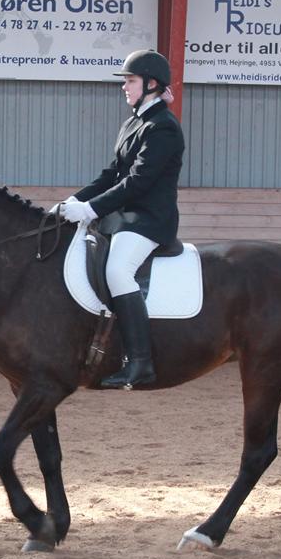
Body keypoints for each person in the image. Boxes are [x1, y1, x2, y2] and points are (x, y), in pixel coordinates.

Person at [56, 49, 185, 388]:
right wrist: (75, 200)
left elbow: (138, 182)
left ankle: (141, 363)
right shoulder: (134, 122)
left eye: (130, 81)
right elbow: (112, 173)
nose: (124, 87)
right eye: (126, 81)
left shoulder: (163, 128)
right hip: (123, 217)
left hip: (149, 220)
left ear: (151, 84)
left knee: (118, 270)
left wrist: (91, 209)